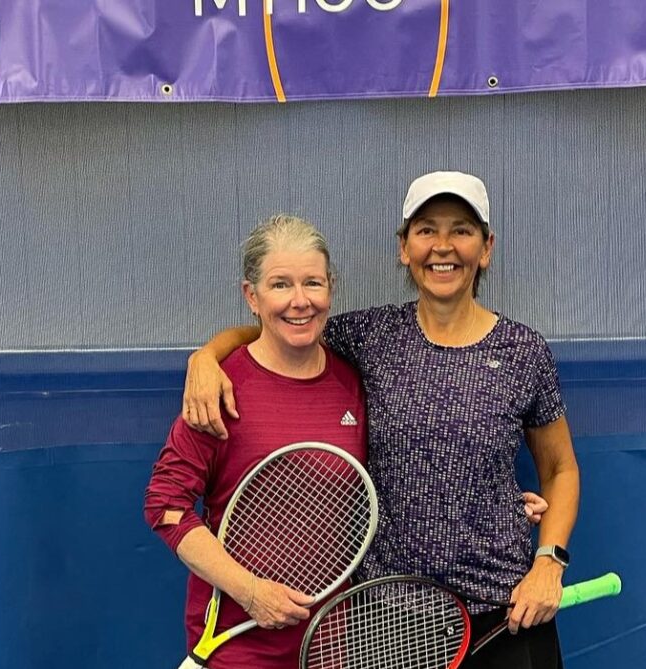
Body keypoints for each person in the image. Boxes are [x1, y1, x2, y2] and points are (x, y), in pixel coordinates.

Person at [182, 171, 580, 669]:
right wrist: (208, 356)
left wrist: (549, 562)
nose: (443, 246)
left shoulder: (524, 352)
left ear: (486, 247)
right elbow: (284, 326)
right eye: (426, 230)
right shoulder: (370, 336)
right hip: (390, 622)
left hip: (506, 611)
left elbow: (561, 470)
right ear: (404, 247)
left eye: (461, 230)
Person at [144, 215, 368, 669]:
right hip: (235, 643)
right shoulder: (220, 386)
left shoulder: (354, 381)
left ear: (332, 288)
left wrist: (492, 500)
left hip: (329, 643)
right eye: (280, 285)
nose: (300, 301)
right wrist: (250, 592)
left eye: (313, 283)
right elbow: (165, 507)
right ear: (252, 296)